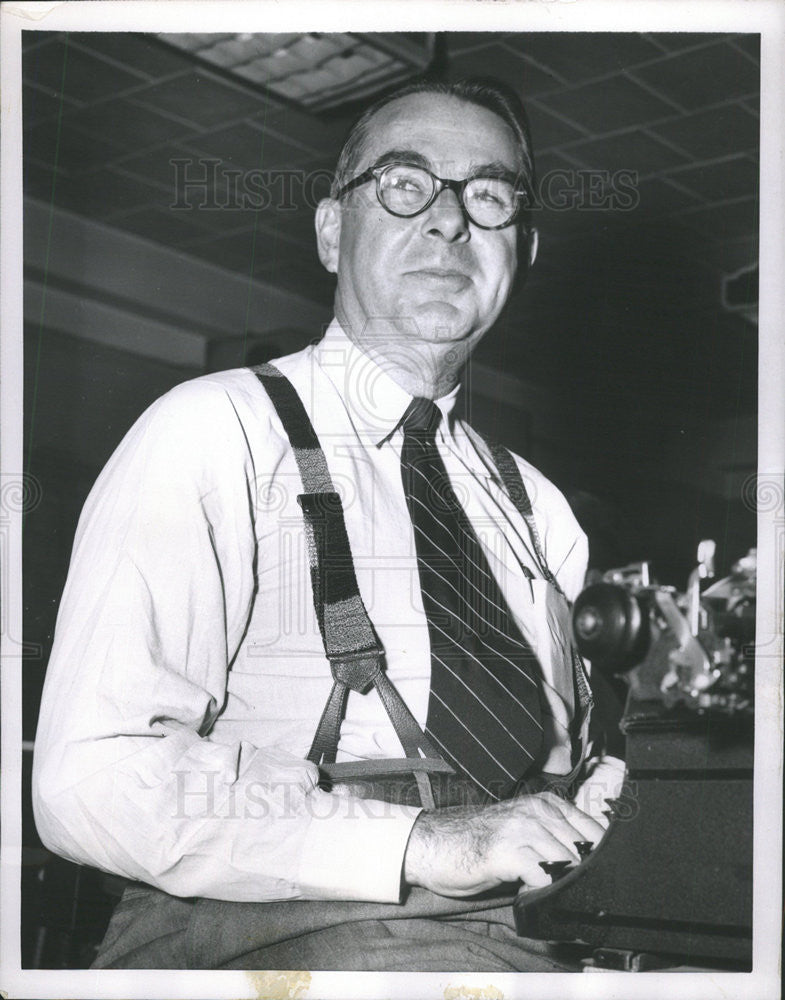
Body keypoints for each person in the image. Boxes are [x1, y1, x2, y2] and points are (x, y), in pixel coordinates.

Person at [32, 78, 623, 971]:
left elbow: (573, 762)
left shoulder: (541, 510)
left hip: (528, 934)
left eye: (488, 195)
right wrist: (420, 845)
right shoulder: (213, 428)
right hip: (265, 936)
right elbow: (88, 781)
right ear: (330, 230)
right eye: (403, 183)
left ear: (523, 250)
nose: (449, 221)